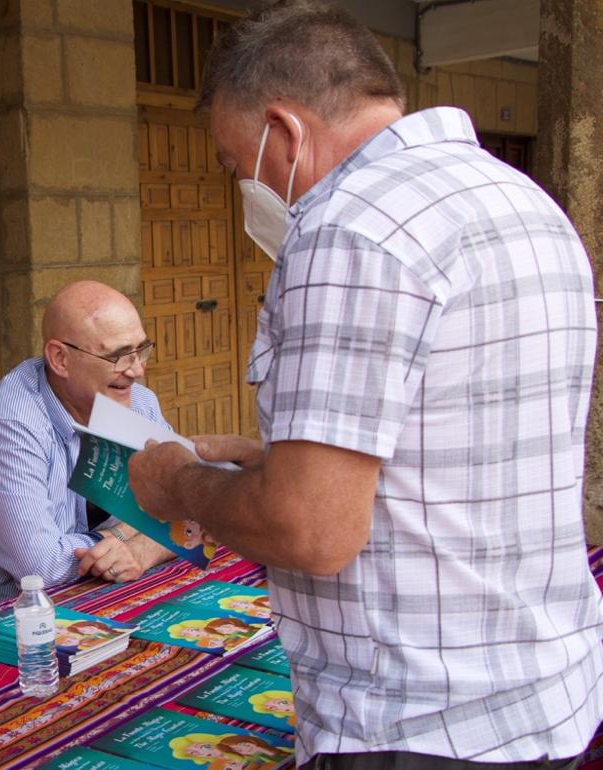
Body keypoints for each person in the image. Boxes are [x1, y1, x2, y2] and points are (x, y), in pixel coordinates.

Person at [127, 1, 603, 768]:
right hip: (544, 695)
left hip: (415, 724)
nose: (239, 186)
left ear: (284, 133)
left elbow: (311, 532)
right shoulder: (527, 205)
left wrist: (178, 484)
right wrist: (266, 459)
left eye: (231, 163)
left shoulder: (348, 229)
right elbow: (451, 449)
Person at [0, 280, 178, 604]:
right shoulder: (9, 425)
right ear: (60, 359)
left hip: (106, 596)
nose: (138, 370)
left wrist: (140, 548)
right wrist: (130, 533)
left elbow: (193, 510)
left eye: (141, 350)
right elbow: (42, 568)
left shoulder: (137, 403)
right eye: (119, 356)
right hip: (14, 620)